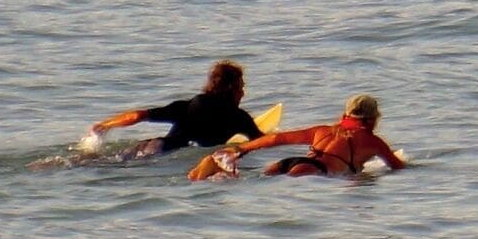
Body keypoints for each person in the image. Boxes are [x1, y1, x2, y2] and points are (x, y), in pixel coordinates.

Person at [192, 92, 404, 180]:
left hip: (289, 162)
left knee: (253, 179)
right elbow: (397, 166)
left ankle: (208, 171)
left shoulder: (323, 130)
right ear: (372, 120)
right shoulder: (373, 142)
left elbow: (277, 138)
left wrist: (241, 149)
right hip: (312, 171)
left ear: (345, 116)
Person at [92, 60, 264, 155]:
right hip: (167, 154)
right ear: (231, 89)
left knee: (99, 161)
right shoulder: (238, 117)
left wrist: (105, 125)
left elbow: (138, 115)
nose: (243, 93)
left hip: (152, 146)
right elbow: (263, 142)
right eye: (241, 87)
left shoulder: (188, 105)